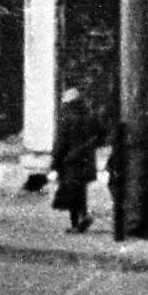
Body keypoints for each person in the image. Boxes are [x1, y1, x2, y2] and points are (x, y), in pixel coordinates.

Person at [51, 96, 100, 234]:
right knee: (81, 192)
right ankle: (82, 217)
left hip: (70, 162)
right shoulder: (89, 116)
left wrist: (55, 164)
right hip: (85, 162)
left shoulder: (66, 118)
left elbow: (61, 143)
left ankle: (77, 222)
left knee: (71, 193)